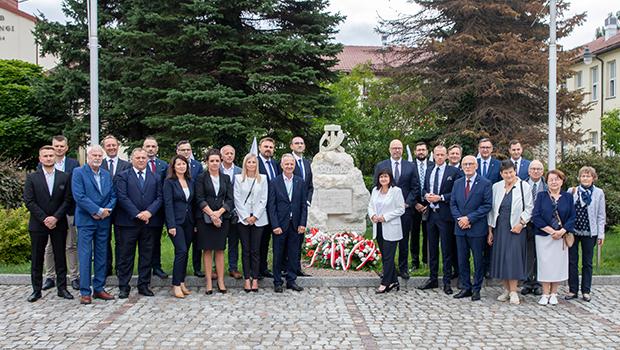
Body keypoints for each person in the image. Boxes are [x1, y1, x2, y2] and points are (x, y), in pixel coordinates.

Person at [24, 146, 74, 302]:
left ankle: (62, 288)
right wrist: (45, 218)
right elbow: (29, 201)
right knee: (37, 258)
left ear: (55, 158)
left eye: (51, 155)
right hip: (38, 224)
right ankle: (36, 290)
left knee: (60, 256)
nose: (48, 158)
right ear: (40, 158)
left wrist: (56, 218)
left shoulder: (64, 177)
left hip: (58, 224)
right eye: (45, 156)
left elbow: (68, 200)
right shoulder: (32, 178)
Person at [114, 148, 162, 299]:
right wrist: (137, 214)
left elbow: (159, 197)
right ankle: (123, 286)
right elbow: (122, 197)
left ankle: (143, 284)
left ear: (147, 159)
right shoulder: (122, 176)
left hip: (149, 222)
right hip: (128, 223)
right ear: (132, 159)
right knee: (126, 255)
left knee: (146, 255)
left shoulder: (155, 177)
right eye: (138, 158)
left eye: (144, 158)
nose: (141, 160)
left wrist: (149, 212)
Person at [72, 145, 116, 304]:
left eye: (99, 155)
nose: (97, 158)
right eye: (94, 155)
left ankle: (99, 288)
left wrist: (106, 211)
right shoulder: (78, 173)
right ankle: (85, 291)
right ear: (88, 157)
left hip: (103, 221)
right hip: (86, 220)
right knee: (85, 255)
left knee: (101, 255)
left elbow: (113, 195)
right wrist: (96, 210)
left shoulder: (106, 174)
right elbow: (79, 196)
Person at [487, 160, 533, 305]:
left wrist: (521, 223)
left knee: (512, 258)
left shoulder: (523, 186)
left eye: (511, 172)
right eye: (505, 173)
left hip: (515, 228)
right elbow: (492, 210)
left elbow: (530, 208)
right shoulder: (496, 187)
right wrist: (490, 231)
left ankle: (514, 291)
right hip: (500, 227)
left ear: (515, 172)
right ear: (501, 174)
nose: (509, 175)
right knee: (501, 258)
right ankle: (506, 289)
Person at [39, 135, 80, 292]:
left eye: (62, 146)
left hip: (68, 210)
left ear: (66, 147)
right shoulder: (42, 164)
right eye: (56, 146)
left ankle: (74, 276)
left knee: (71, 245)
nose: (59, 149)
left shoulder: (73, 164)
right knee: (49, 246)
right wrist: (49, 216)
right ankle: (50, 276)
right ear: (52, 146)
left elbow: (74, 188)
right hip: (50, 214)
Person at [418, 145, 461, 294]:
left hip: (445, 215)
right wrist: (426, 196)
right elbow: (423, 189)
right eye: (437, 155)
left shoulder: (454, 172)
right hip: (431, 215)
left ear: (447, 156)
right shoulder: (430, 170)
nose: (440, 157)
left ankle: (447, 282)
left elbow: (456, 193)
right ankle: (433, 278)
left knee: (446, 249)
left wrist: (441, 197)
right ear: (433, 155)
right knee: (432, 249)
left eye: (443, 155)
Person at [450, 155, 493, 301]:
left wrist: (469, 218)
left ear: (476, 166)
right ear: (461, 166)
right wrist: (460, 219)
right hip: (460, 228)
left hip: (476, 228)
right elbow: (453, 204)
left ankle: (476, 288)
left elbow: (487, 205)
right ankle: (466, 287)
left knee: (477, 260)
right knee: (462, 259)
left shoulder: (485, 183)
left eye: (470, 164)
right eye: (465, 164)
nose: (467, 166)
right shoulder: (457, 183)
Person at [373, 140, 417, 279]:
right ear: (389, 149)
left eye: (399, 148)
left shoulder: (410, 166)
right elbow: (376, 186)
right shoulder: (381, 165)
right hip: (384, 213)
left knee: (403, 241)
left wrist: (407, 203)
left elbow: (415, 187)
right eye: (394, 148)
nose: (396, 150)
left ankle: (403, 269)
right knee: (386, 244)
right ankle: (388, 270)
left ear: (402, 150)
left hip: (404, 211)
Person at [532, 169, 575, 306]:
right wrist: (551, 231)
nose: (554, 182)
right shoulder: (541, 196)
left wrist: (562, 231)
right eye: (551, 179)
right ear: (547, 182)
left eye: (557, 179)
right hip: (544, 235)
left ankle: (554, 293)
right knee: (545, 265)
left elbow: (572, 217)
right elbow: (536, 216)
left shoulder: (568, 197)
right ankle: (545, 293)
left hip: (561, 237)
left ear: (562, 181)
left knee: (557, 265)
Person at [267, 154, 308, 293]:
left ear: (294, 166)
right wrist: (275, 225)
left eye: (291, 164)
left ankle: (291, 280)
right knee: (278, 254)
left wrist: (302, 223)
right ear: (282, 165)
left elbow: (303, 205)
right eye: (287, 164)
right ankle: (277, 281)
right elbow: (271, 206)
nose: (289, 166)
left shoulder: (300, 182)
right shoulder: (274, 182)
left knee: (293, 253)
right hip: (280, 224)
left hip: (295, 225)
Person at [195, 148, 233, 294]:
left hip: (222, 218)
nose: (215, 163)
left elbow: (230, 199)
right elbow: (199, 198)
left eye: (217, 160)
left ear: (221, 162)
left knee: (220, 249)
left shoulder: (226, 178)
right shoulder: (201, 178)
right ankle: (209, 281)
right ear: (207, 162)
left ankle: (221, 281)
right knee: (207, 249)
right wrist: (212, 214)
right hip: (205, 218)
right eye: (212, 161)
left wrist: (219, 213)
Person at [566, 166, 606, 302]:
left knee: (587, 262)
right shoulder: (572, 191)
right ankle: (572, 290)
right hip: (574, 231)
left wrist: (601, 234)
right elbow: (566, 212)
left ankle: (586, 290)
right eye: (583, 176)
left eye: (588, 176)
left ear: (593, 178)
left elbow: (601, 215)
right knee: (572, 261)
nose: (585, 178)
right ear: (579, 178)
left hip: (590, 232)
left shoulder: (599, 193)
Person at [234, 154, 269, 292]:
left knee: (255, 250)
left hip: (259, 219)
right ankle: (247, 279)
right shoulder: (238, 179)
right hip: (243, 219)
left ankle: (255, 279)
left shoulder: (263, 179)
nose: (251, 164)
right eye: (249, 162)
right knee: (246, 250)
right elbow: (236, 199)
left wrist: (255, 216)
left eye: (254, 162)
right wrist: (245, 216)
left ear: (257, 164)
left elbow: (264, 199)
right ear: (245, 164)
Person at [368, 169, 405, 293]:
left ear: (390, 178)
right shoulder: (375, 190)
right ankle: (394, 281)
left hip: (390, 226)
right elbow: (370, 206)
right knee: (385, 256)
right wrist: (372, 215)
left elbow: (401, 209)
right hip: (378, 227)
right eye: (381, 177)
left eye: (386, 177)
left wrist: (385, 217)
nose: (383, 179)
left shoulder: (396, 191)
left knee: (389, 256)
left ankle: (385, 283)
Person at [163, 155, 195, 298]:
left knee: (185, 251)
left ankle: (182, 282)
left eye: (184, 164)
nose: (181, 166)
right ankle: (175, 285)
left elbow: (192, 203)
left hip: (189, 222)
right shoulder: (169, 182)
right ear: (173, 167)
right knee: (181, 251)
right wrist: (171, 225)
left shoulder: (190, 181)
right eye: (179, 164)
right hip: (175, 222)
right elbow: (168, 204)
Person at [101, 135, 131, 277]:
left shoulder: (126, 165)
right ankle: (106, 267)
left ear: (118, 146)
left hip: (121, 209)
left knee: (121, 240)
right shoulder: (99, 164)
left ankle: (120, 268)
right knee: (104, 239)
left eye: (114, 145)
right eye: (108, 145)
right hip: (104, 208)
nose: (112, 148)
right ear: (104, 148)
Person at [176, 140, 205, 278]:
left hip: (196, 208)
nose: (186, 152)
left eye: (188, 150)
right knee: (183, 245)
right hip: (182, 209)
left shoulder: (197, 165)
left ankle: (197, 267)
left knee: (197, 242)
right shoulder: (175, 166)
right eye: (183, 150)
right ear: (178, 151)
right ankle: (181, 270)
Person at [143, 136, 169, 279]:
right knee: (143, 242)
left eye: (153, 146)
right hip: (141, 210)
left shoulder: (163, 165)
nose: (150, 149)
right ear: (143, 148)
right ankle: (145, 268)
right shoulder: (138, 163)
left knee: (156, 240)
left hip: (157, 209)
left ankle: (156, 266)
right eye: (148, 146)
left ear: (157, 148)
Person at [521, 160, 546, 296]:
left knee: (540, 255)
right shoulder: (522, 185)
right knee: (528, 254)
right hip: (527, 224)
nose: (536, 171)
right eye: (533, 169)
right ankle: (527, 282)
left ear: (542, 171)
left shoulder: (547, 186)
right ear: (529, 171)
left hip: (542, 225)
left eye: (538, 169)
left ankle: (538, 283)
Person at [291, 136, 314, 277]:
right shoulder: (288, 161)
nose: (299, 145)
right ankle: (286, 267)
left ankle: (297, 267)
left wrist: (307, 201)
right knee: (289, 239)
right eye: (297, 143)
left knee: (299, 237)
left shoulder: (307, 163)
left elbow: (310, 186)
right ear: (291, 146)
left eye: (301, 143)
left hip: (302, 207)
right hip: (290, 207)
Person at [257, 137, 280, 278]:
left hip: (275, 208)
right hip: (261, 208)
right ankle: (257, 269)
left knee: (267, 240)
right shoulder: (255, 163)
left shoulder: (275, 164)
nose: (268, 149)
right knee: (259, 241)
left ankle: (265, 268)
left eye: (271, 147)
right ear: (260, 147)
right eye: (266, 146)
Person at [220, 145, 243, 280]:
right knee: (218, 242)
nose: (229, 155)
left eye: (232, 153)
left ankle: (233, 268)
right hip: (219, 211)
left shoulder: (240, 171)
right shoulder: (215, 170)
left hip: (235, 212)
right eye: (226, 153)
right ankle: (216, 268)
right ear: (221, 156)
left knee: (234, 241)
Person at [411, 141, 433, 270]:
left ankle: (426, 260)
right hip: (414, 205)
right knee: (414, 234)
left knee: (428, 234)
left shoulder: (433, 165)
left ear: (427, 152)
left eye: (423, 150)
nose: (421, 152)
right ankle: (415, 262)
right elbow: (407, 187)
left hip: (429, 205)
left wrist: (428, 204)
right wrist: (415, 203)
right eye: (418, 150)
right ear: (415, 152)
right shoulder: (409, 166)